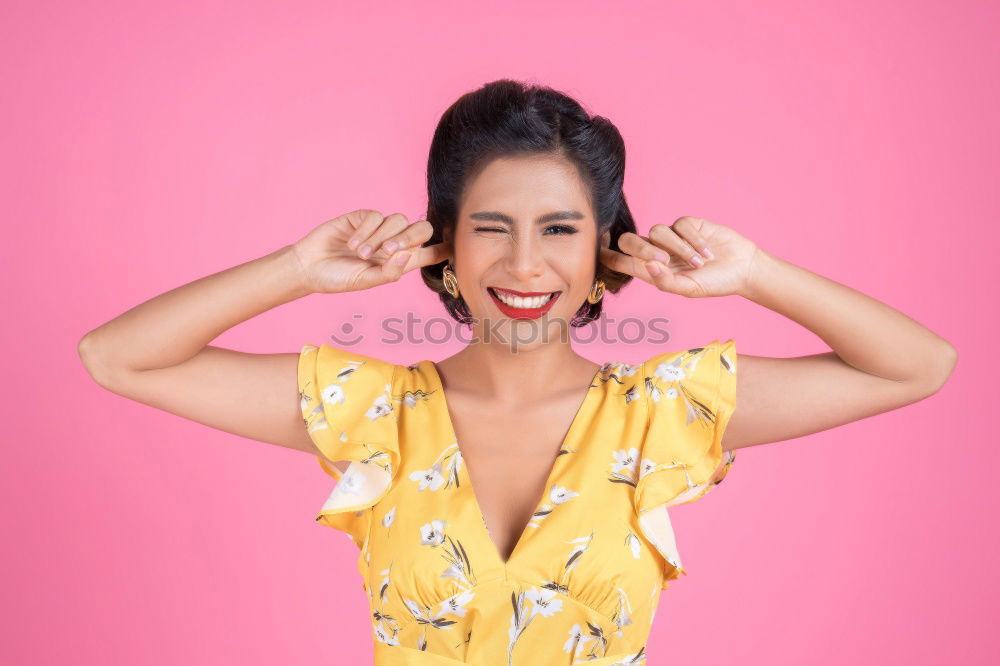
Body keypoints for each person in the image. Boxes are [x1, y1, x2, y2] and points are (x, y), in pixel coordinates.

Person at [77, 79, 957, 665]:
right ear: (447, 247)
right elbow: (116, 356)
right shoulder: (374, 410)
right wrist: (300, 268)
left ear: (604, 255)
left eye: (561, 229)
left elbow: (916, 366)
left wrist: (756, 272)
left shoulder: (665, 410)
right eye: (492, 226)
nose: (525, 264)